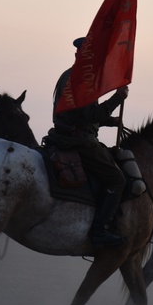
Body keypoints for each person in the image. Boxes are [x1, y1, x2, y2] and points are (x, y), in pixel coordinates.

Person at [45, 37, 129, 249]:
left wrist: (111, 121)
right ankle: (99, 231)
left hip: (61, 135)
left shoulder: (68, 75)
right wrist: (117, 98)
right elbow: (88, 115)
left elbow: (78, 114)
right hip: (79, 142)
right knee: (117, 180)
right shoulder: (84, 80)